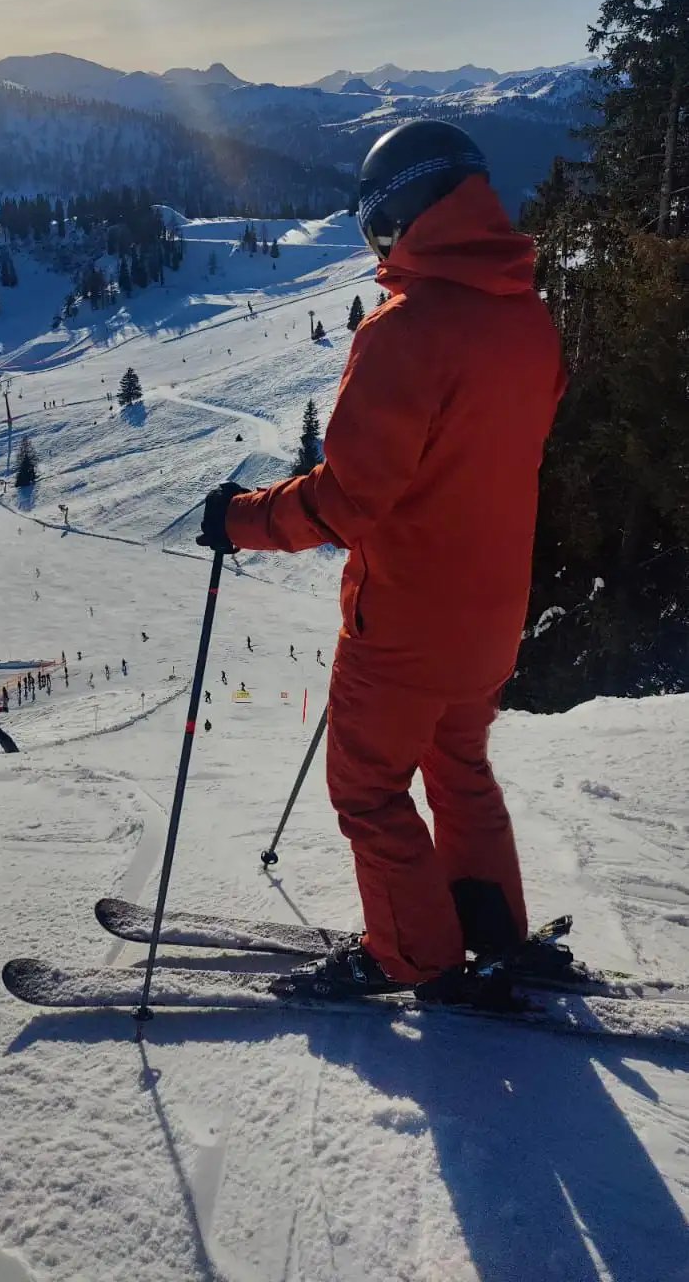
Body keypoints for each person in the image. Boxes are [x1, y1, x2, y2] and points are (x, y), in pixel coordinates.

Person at [197, 120, 564, 1003]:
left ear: (402, 214)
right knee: (460, 769)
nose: (378, 248)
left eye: (377, 228)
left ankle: (413, 954)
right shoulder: (527, 319)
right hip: (489, 617)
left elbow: (349, 497)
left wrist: (239, 521)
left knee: (367, 789)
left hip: (403, 621)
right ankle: (488, 927)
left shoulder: (407, 331)